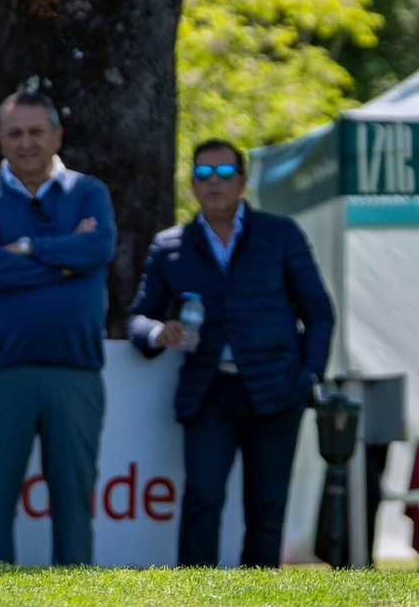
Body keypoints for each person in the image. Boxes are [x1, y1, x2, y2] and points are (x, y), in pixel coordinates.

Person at [127, 138, 334, 567]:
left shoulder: (280, 234)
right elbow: (138, 319)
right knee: (202, 499)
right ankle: (196, 596)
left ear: (242, 181)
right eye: (204, 174)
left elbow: (319, 312)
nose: (214, 182)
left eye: (224, 173)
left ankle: (256, 597)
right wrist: (156, 333)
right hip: (208, 392)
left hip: (277, 389)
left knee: (267, 509)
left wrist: (308, 377)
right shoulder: (170, 245)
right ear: (192, 184)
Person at [0, 90, 116, 566]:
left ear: (57, 135)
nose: (26, 143)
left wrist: (22, 247)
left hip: (76, 372)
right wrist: (64, 258)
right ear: (1, 140)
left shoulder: (89, 192)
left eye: (35, 132)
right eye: (15, 133)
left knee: (74, 508)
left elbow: (99, 249)